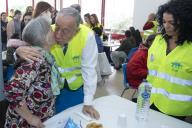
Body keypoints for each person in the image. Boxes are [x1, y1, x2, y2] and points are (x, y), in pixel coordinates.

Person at [16, 7, 100, 119]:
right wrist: (18, 51)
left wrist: (88, 102)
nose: (58, 35)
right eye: (57, 27)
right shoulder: (48, 33)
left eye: (65, 31)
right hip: (51, 91)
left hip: (76, 89)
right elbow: (29, 45)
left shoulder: (87, 36)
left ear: (76, 31)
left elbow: (89, 70)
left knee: (76, 118)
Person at [4, 17, 55, 128]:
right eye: (51, 29)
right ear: (45, 37)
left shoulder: (44, 56)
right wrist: (30, 118)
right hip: (23, 123)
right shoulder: (36, 60)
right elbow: (12, 91)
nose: (54, 32)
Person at [147, 0, 192, 119]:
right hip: (152, 102)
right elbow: (151, 73)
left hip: (178, 112)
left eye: (171, 22)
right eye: (164, 21)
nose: (166, 26)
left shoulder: (190, 48)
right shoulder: (158, 41)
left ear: (185, 22)